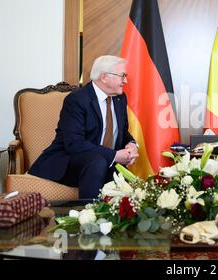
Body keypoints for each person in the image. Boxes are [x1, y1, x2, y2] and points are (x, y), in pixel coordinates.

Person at [29, 55, 139, 198]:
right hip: (70, 162)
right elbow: (74, 144)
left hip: (103, 162)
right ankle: (88, 215)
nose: (125, 81)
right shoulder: (77, 100)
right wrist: (114, 156)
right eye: (122, 76)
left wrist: (132, 144)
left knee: (119, 172)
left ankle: (114, 218)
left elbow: (122, 132)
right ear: (104, 77)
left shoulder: (120, 98)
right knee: (98, 161)